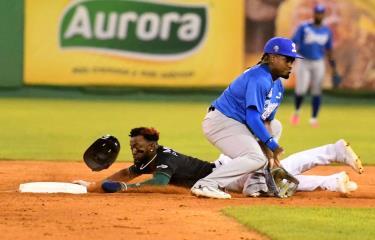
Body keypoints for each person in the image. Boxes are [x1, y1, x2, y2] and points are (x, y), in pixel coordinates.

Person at [74, 127, 363, 196]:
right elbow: (128, 171)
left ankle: (332, 152)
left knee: (273, 183)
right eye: (132, 147)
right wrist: (93, 185)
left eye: (137, 146)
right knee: (276, 180)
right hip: (223, 169)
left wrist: (125, 190)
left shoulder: (162, 159)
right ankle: (331, 179)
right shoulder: (151, 156)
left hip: (227, 173)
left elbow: (159, 184)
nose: (134, 151)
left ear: (151, 145)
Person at [190, 36, 303, 199]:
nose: (291, 64)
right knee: (255, 157)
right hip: (221, 122)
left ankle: (254, 183)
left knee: (276, 126)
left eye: (293, 60)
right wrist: (272, 145)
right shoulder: (259, 78)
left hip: (238, 123)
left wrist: (272, 157)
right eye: (287, 59)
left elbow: (266, 121)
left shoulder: (277, 84)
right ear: (272, 57)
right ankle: (207, 183)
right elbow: (252, 118)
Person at [290, 4, 338, 127]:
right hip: (304, 60)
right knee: (301, 90)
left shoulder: (326, 30)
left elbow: (329, 50)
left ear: (323, 15)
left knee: (317, 91)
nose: (319, 15)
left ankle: (314, 118)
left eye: (321, 13)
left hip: (318, 62)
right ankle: (297, 112)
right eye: (317, 12)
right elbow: (294, 42)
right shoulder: (304, 27)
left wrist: (334, 68)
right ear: (314, 13)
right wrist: (291, 57)